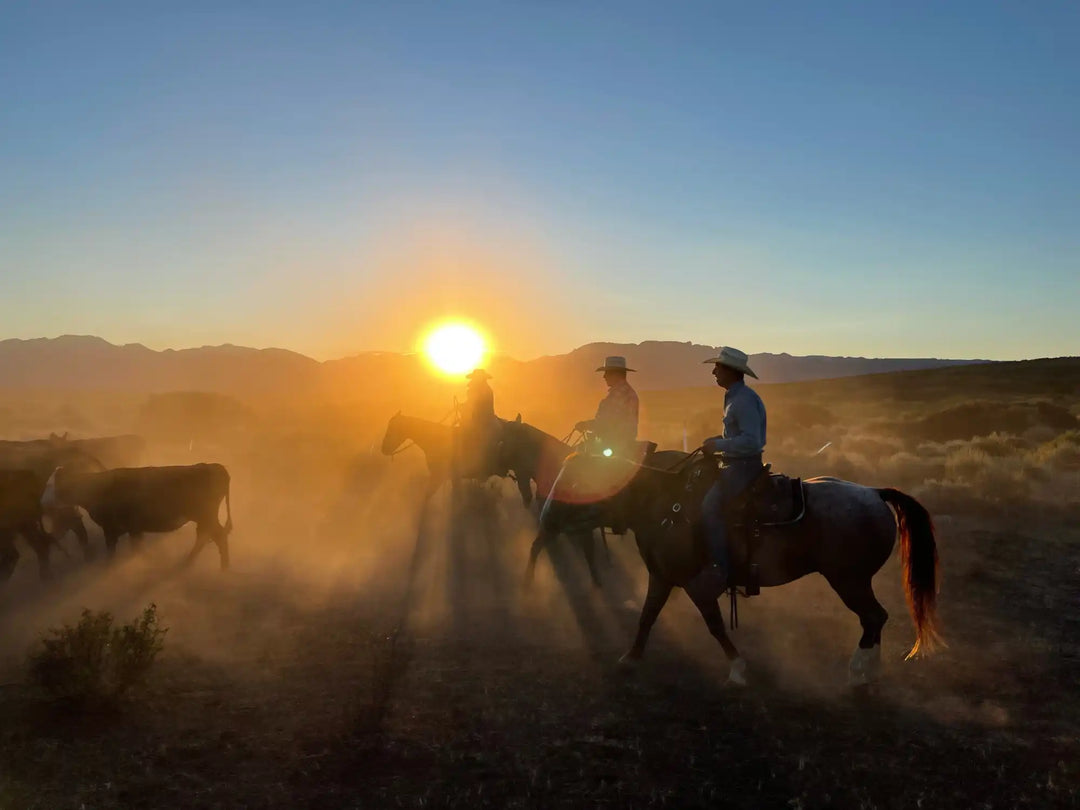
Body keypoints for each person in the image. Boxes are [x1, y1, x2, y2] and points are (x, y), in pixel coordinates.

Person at [690, 347, 767, 598]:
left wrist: (719, 445)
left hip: (743, 467)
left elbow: (752, 441)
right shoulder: (736, 396)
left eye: (718, 367)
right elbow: (736, 436)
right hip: (737, 464)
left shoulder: (743, 400)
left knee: (710, 508)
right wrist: (716, 440)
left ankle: (720, 570)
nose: (713, 371)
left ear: (731, 372)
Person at [574, 356, 639, 455]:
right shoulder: (626, 392)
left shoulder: (619, 394)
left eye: (607, 373)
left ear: (616, 374)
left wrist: (586, 425)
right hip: (620, 443)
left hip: (613, 444)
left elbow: (607, 422)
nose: (604, 376)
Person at [459, 368, 500, 477]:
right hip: (479, 420)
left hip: (484, 422)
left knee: (474, 439)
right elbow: (471, 403)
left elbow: (477, 406)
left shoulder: (484, 391)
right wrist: (463, 406)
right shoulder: (479, 389)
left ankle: (477, 466)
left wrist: (465, 407)